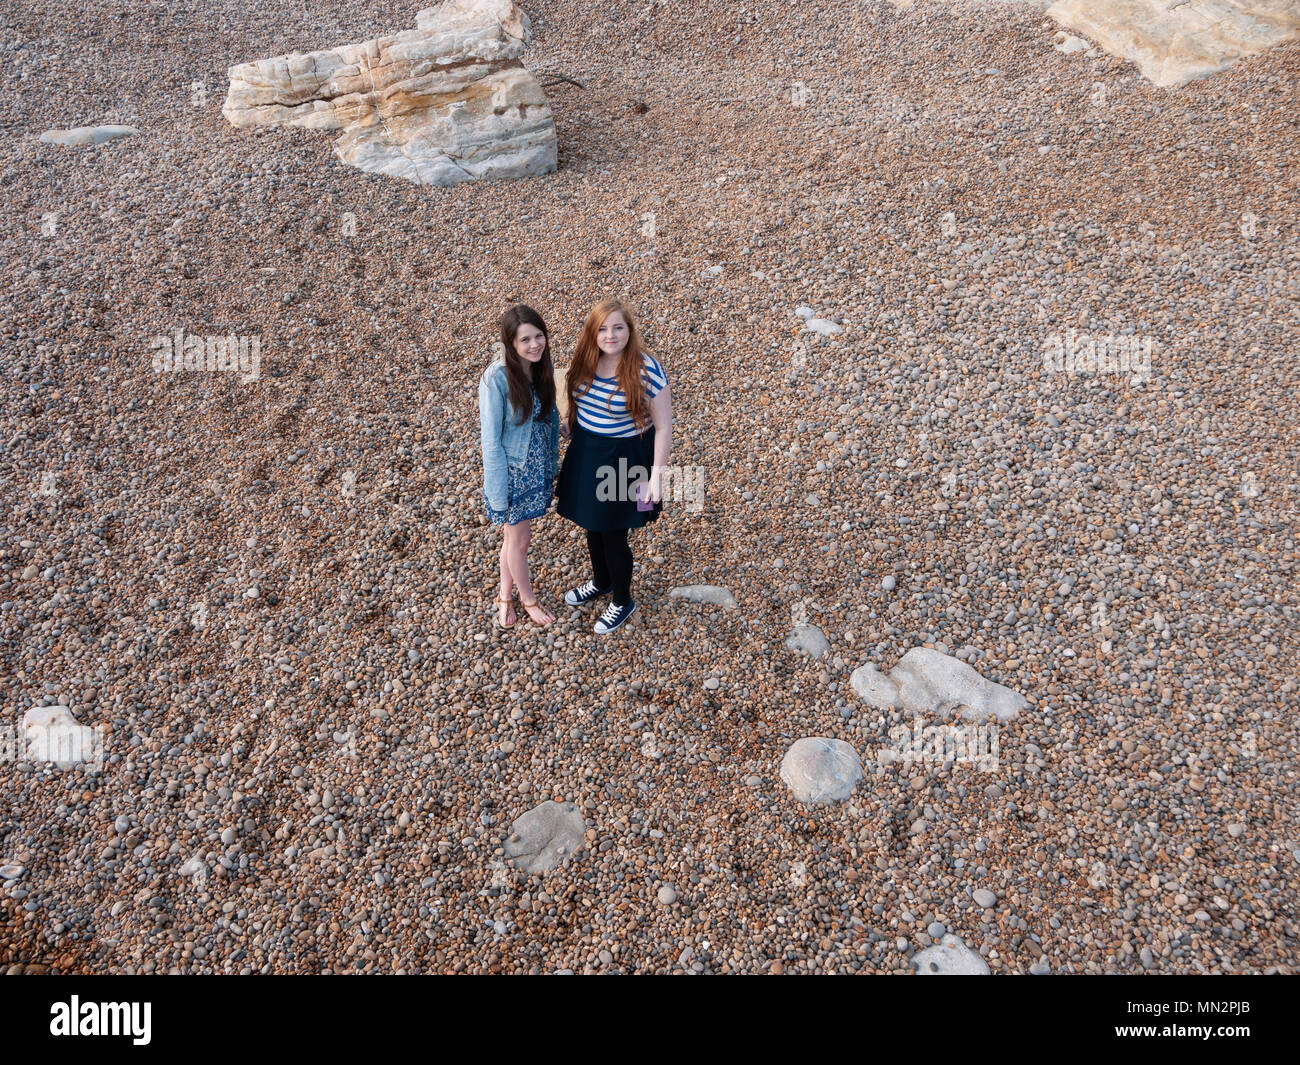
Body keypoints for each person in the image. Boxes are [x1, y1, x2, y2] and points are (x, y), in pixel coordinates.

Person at [556, 298, 672, 634]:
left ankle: (622, 601)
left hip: (624, 460)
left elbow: (663, 426)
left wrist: (656, 478)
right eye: (603, 329)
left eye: (618, 327)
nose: (611, 335)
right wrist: (570, 424)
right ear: (592, 333)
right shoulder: (585, 361)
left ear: (629, 330)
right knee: (592, 525)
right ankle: (602, 582)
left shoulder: (648, 369)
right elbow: (578, 400)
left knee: (613, 533)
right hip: (586, 453)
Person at [478, 305, 561, 627]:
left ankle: (504, 596)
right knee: (520, 541)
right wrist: (498, 492)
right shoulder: (496, 378)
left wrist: (556, 443)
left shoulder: (540, 366)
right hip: (512, 473)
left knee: (512, 540)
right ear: (511, 344)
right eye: (525, 340)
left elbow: (545, 416)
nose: (534, 345)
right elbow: (491, 442)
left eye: (539, 336)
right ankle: (528, 600)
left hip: (537, 466)